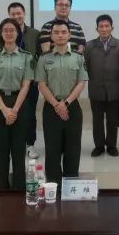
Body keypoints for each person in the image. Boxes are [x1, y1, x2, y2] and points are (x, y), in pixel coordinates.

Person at [36, 20, 88, 185]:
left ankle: (70, 186)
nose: (60, 35)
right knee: (52, 150)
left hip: (73, 107)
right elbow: (41, 84)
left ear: (69, 35)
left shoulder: (78, 57)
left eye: (63, 32)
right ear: (51, 36)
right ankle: (54, 187)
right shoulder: (44, 58)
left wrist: (66, 103)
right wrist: (57, 104)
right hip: (51, 108)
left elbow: (81, 82)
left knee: (73, 150)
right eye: (56, 32)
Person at [0, 18, 34, 190]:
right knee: (1, 153)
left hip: (19, 103)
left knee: (19, 153)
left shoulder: (27, 57)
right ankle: (2, 192)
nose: (9, 33)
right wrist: (5, 110)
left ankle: (19, 191)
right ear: (1, 33)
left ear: (17, 33)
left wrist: (14, 110)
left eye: (12, 30)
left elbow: (26, 85)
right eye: (5, 30)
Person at [0, 2, 41, 160]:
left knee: (29, 115)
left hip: (30, 83)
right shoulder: (3, 33)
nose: (16, 16)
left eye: (19, 13)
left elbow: (40, 57)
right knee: (9, 112)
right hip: (9, 84)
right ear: (9, 15)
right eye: (13, 14)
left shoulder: (35, 33)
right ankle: (12, 145)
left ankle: (30, 144)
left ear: (24, 13)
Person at [84, 14, 119, 157]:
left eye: (107, 26)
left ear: (112, 28)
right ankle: (99, 146)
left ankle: (112, 145)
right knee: (97, 120)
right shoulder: (89, 46)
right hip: (96, 89)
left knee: (113, 120)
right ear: (96, 29)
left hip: (115, 89)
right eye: (101, 26)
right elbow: (86, 67)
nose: (104, 29)